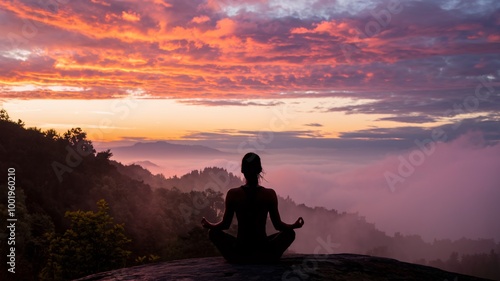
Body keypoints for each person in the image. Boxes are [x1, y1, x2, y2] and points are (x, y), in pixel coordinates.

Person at [201, 152, 304, 263]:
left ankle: (239, 259)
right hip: (264, 249)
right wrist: (294, 226)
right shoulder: (269, 194)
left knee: (213, 233)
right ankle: (266, 258)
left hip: (239, 250)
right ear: (259, 170)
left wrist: (210, 225)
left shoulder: (233, 194)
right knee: (290, 233)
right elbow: (278, 225)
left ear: (242, 170)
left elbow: (225, 225)